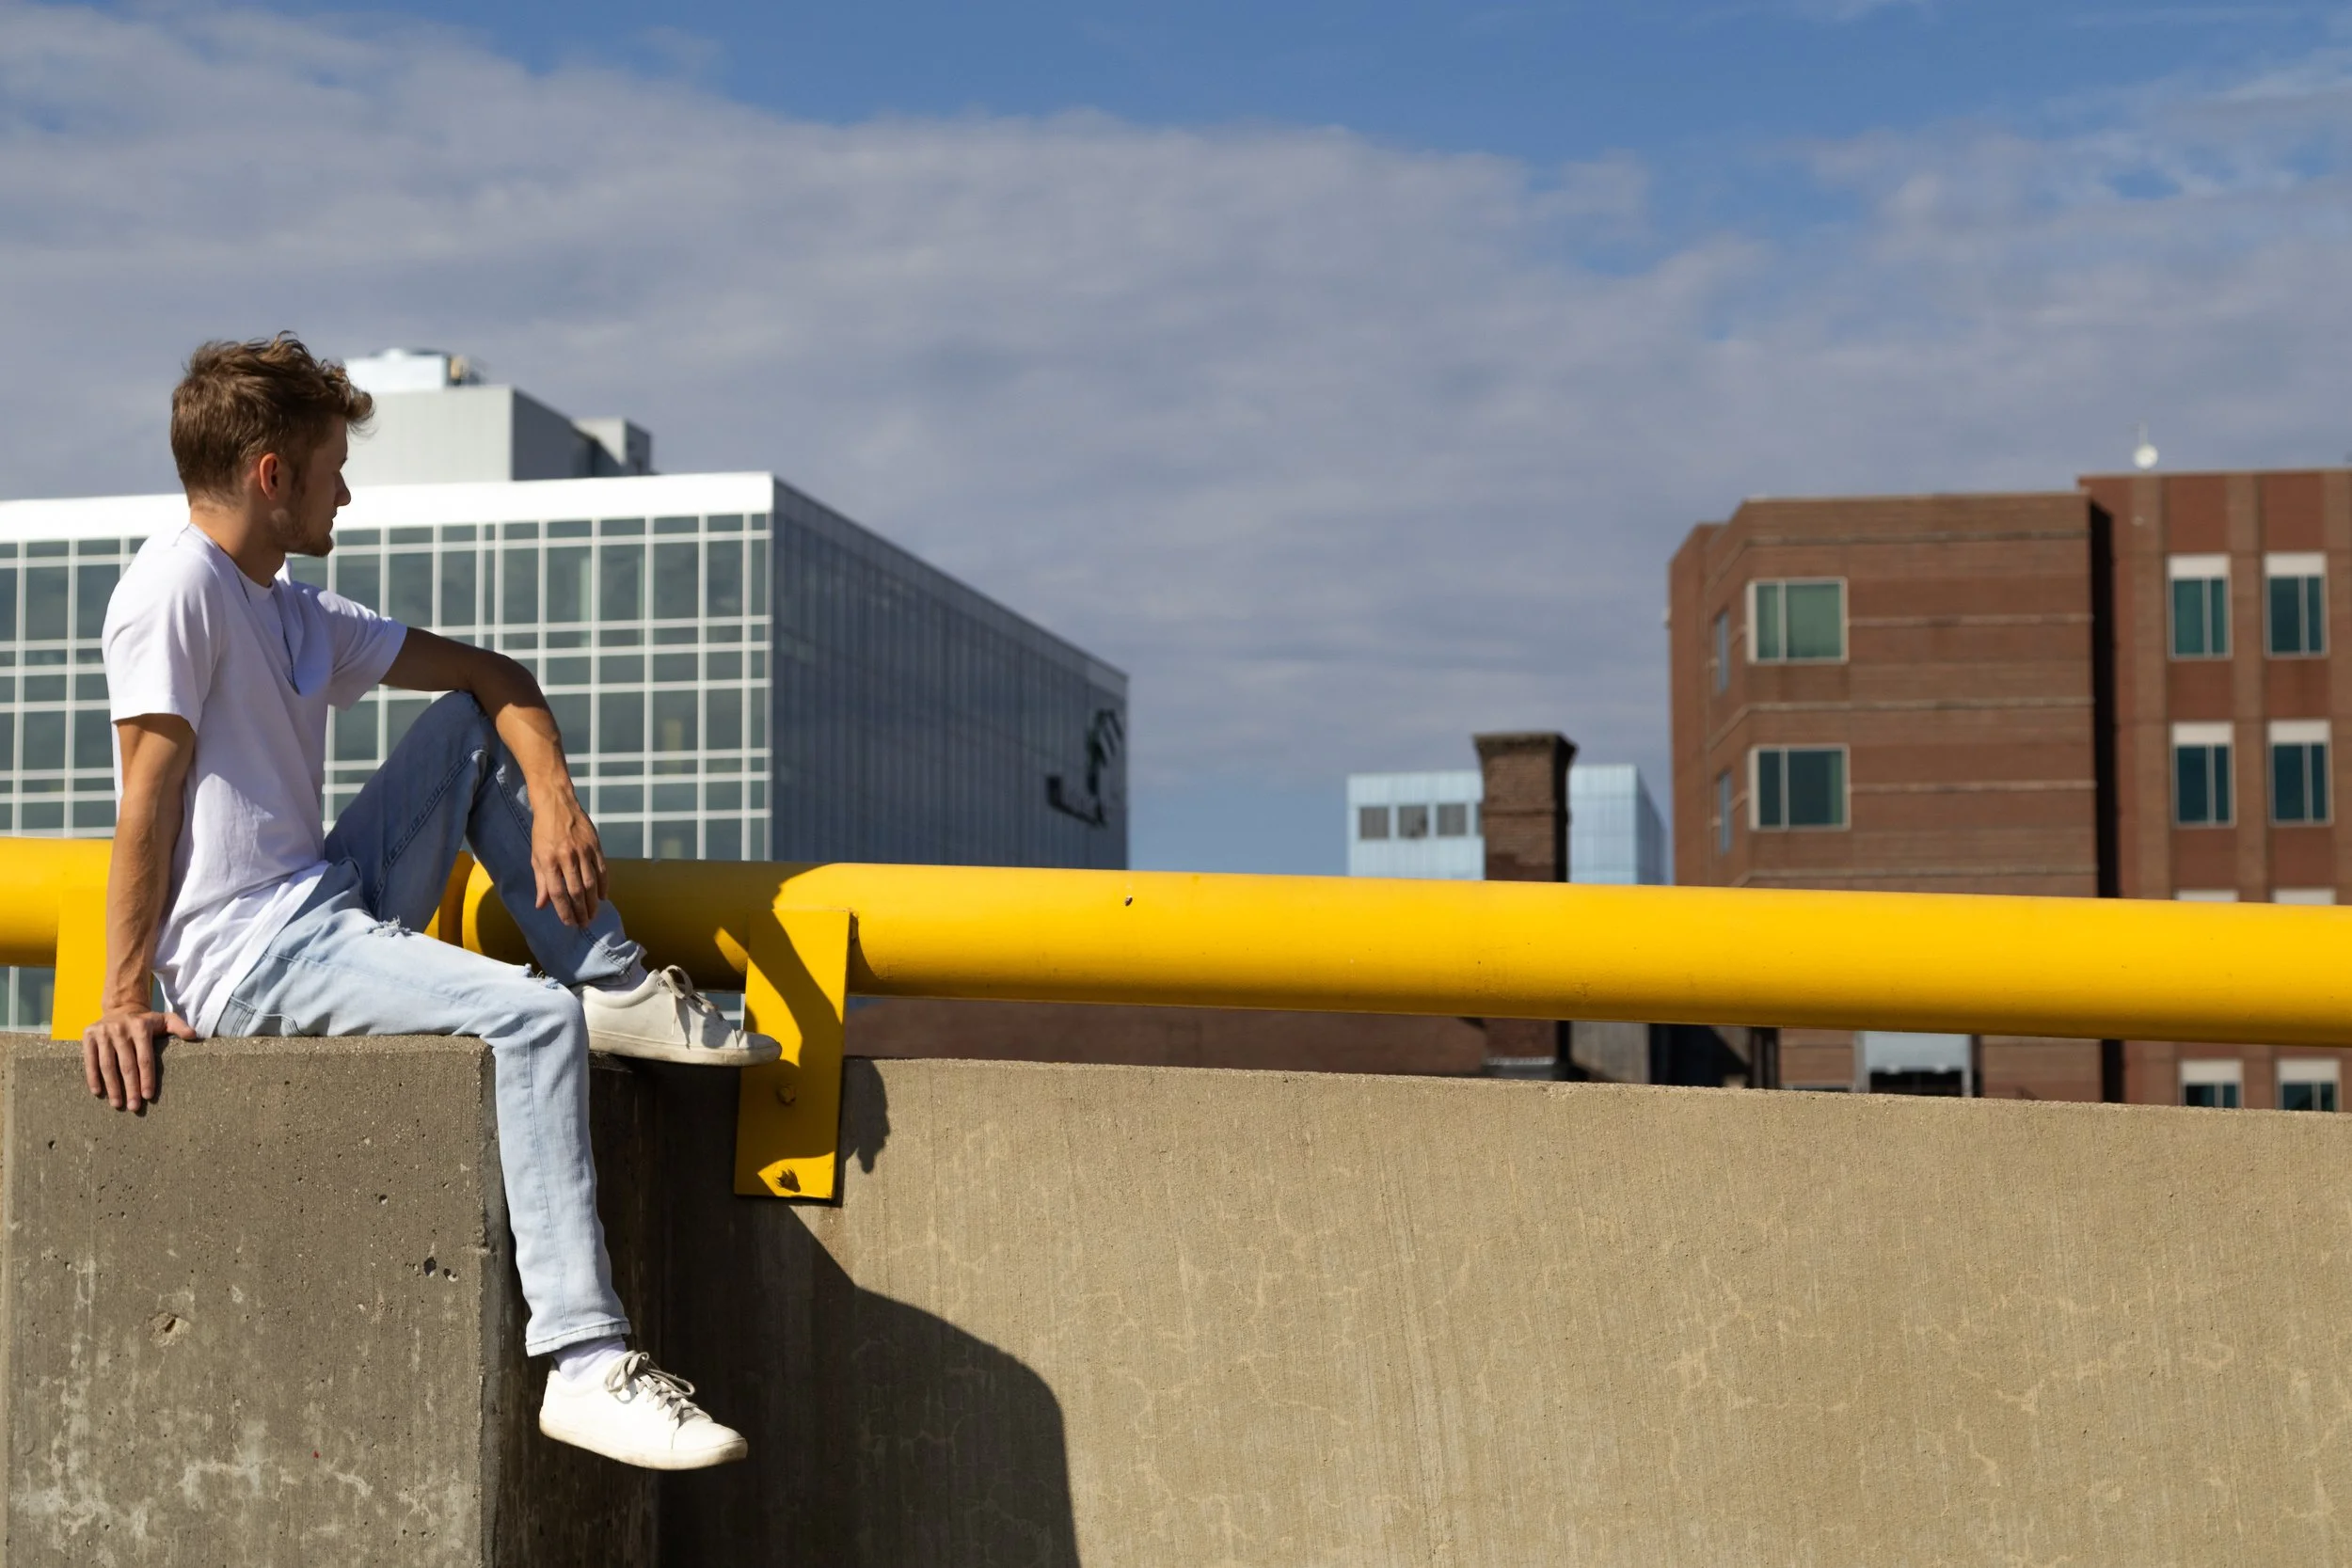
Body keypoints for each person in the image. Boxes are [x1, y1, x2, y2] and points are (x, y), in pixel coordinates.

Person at [80, 334, 771, 1472]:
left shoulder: (288, 609)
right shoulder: (175, 589)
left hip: (324, 901)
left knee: (465, 729)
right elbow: (143, 805)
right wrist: (119, 994)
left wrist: (551, 794)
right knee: (529, 1019)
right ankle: (586, 1364)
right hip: (257, 961)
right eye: (332, 465)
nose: (345, 489)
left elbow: (496, 678)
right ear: (271, 474)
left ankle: (615, 983)